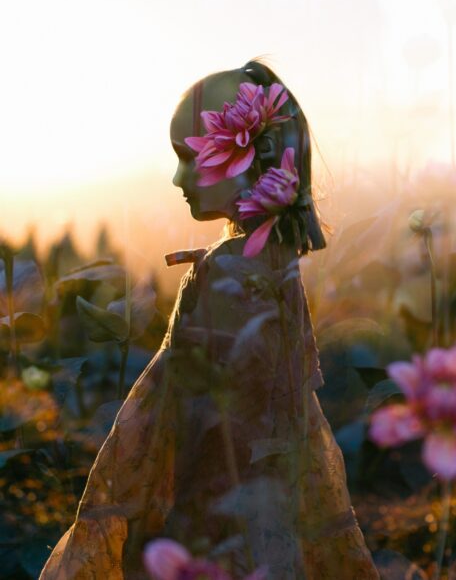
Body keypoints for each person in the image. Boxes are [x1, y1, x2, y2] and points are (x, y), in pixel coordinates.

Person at [40, 61, 380, 579]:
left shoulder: (233, 270)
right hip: (267, 524)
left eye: (188, 156)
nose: (177, 177)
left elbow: (218, 433)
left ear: (242, 155)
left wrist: (171, 528)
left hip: (219, 532)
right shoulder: (270, 262)